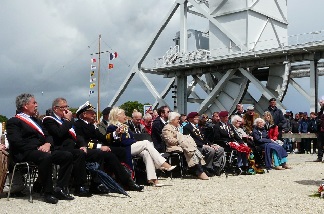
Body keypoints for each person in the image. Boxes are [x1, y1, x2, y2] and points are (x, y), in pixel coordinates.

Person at [6, 93, 74, 204]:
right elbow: (16, 142)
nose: (37, 105)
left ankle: (60, 188)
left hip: (42, 150)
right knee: (45, 157)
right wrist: (38, 147)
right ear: (25, 105)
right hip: (25, 152)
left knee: (66, 155)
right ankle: (48, 192)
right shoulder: (14, 121)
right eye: (34, 102)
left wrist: (47, 144)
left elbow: (48, 136)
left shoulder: (37, 121)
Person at [74, 101, 143, 191]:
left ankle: (121, 179)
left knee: (121, 151)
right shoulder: (78, 124)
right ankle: (125, 182)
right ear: (84, 114)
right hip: (88, 149)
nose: (94, 115)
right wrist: (100, 147)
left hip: (97, 148)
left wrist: (115, 133)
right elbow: (82, 142)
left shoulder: (91, 125)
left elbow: (103, 138)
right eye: (92, 113)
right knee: (109, 155)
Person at [107, 107, 176, 187]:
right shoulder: (112, 127)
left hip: (130, 146)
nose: (125, 116)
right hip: (124, 149)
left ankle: (153, 179)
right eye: (123, 115)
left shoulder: (125, 126)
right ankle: (163, 164)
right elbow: (122, 141)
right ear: (116, 116)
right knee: (146, 143)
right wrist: (135, 142)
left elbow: (131, 138)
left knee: (146, 153)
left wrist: (133, 141)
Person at [42, 97, 93, 197]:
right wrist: (67, 121)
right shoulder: (49, 120)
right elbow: (59, 133)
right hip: (60, 148)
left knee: (98, 153)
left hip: (73, 147)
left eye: (67, 107)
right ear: (55, 109)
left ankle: (96, 184)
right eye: (63, 107)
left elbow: (77, 135)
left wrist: (83, 145)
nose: (66, 110)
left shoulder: (67, 121)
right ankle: (76, 186)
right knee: (77, 154)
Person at [162, 112, 209, 180]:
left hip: (181, 145)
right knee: (189, 150)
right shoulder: (167, 128)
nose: (179, 120)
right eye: (177, 119)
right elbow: (170, 141)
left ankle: (199, 170)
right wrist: (181, 141)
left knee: (192, 149)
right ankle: (198, 171)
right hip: (172, 147)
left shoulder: (177, 127)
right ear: (172, 120)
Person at [182, 112, 225, 176]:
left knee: (220, 149)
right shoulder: (187, 127)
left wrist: (211, 144)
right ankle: (207, 167)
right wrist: (203, 145)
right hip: (196, 146)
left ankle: (216, 167)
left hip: (203, 144)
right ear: (190, 119)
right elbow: (190, 140)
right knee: (210, 150)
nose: (197, 118)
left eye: (197, 117)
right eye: (195, 117)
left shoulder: (198, 127)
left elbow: (204, 138)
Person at [316, 97, 324, 162]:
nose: (320, 103)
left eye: (321, 102)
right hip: (320, 131)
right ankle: (319, 157)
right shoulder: (320, 112)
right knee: (319, 144)